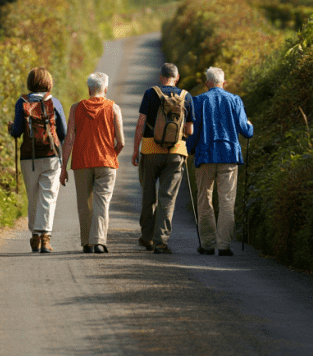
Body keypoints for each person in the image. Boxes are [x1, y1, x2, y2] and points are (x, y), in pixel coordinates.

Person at [186, 66, 253, 256]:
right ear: (224, 83)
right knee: (227, 201)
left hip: (205, 156)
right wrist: (251, 126)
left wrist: (189, 150)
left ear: (207, 83)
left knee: (204, 200)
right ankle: (224, 246)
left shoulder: (197, 101)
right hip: (229, 156)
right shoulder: (235, 100)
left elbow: (193, 133)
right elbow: (245, 131)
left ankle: (207, 244)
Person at [131, 63, 193, 254]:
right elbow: (189, 130)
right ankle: (161, 242)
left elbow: (140, 124)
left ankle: (147, 238)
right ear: (178, 76)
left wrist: (135, 150)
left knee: (149, 196)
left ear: (161, 77)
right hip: (176, 153)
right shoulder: (186, 97)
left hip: (150, 150)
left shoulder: (151, 93)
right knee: (167, 198)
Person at [60, 72, 124, 254]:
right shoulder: (113, 108)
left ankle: (87, 242)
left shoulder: (76, 108)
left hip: (81, 162)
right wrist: (112, 154)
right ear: (105, 88)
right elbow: (121, 141)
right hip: (106, 162)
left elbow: (69, 138)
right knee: (102, 202)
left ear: (89, 89)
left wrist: (63, 167)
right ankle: (99, 241)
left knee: (84, 203)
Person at [10, 67, 67, 254]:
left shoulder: (22, 102)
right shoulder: (54, 102)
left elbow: (17, 131)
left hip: (28, 157)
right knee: (48, 197)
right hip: (51, 156)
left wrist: (11, 128)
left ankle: (35, 236)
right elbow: (64, 132)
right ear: (48, 83)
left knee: (33, 197)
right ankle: (45, 238)